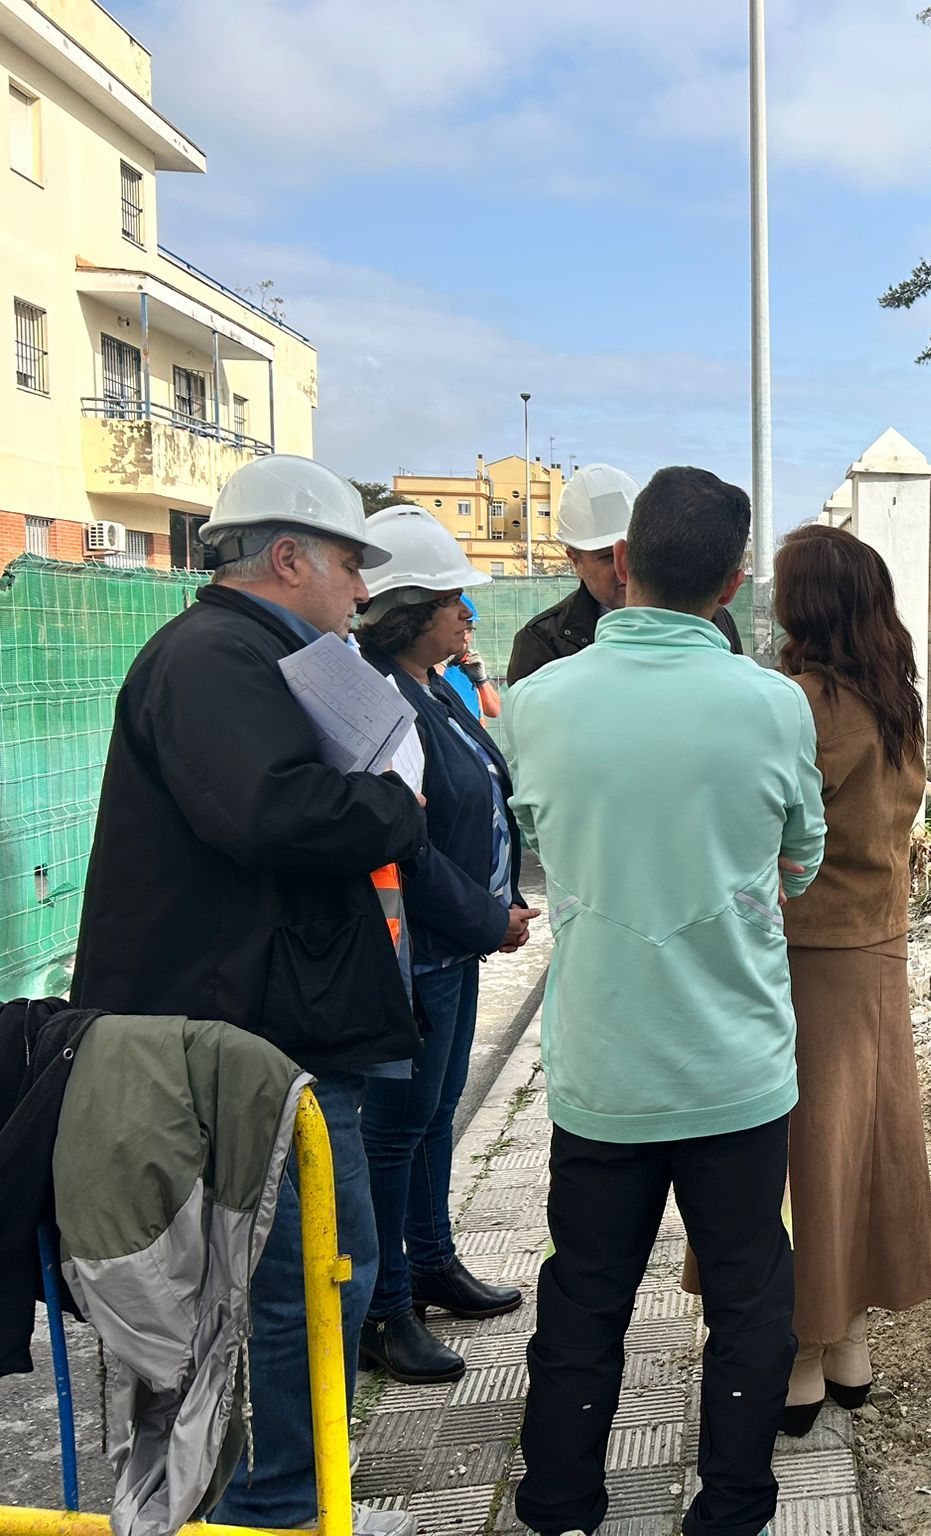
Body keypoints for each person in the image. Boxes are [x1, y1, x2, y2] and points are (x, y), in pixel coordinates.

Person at [70, 455, 427, 1536]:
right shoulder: (213, 660)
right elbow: (274, 813)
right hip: (245, 1036)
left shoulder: (252, 654)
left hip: (270, 1020)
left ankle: (288, 1496)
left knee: (315, 1272)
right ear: (287, 557)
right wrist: (395, 802)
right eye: (350, 565)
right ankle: (285, 1508)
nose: (361, 591)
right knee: (308, 1279)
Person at [501, 466, 825, 1536]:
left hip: (603, 1066)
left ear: (623, 562)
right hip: (735, 1066)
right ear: (733, 584)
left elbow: (541, 842)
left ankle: (558, 1504)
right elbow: (803, 858)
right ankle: (731, 1509)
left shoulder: (538, 701)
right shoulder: (774, 705)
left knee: (583, 1294)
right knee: (749, 1297)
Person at [354, 508, 538, 1384]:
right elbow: (407, 847)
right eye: (452, 599)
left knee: (435, 1112)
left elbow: (480, 795)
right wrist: (484, 917)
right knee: (396, 1129)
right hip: (418, 950)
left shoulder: (431, 686)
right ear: (409, 611)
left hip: (450, 947)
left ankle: (431, 1262)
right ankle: (383, 1309)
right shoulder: (380, 701)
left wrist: (497, 904)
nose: (468, 612)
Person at [767, 525, 931, 1436]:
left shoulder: (799, 705)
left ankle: (804, 1348)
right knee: (868, 1143)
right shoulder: (891, 699)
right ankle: (850, 1342)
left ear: (803, 603)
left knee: (805, 1151)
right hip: (880, 946)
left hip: (808, 954)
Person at [505, 463, 743, 684]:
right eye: (607, 557)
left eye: (636, 551)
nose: (626, 566)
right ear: (576, 561)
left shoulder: (716, 617)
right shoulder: (542, 640)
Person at [439, 595, 501, 720]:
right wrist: (441, 662)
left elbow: (494, 711)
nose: (467, 637)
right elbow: (424, 696)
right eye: (461, 629)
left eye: (469, 629)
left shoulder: (465, 666)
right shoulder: (425, 667)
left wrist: (481, 680)